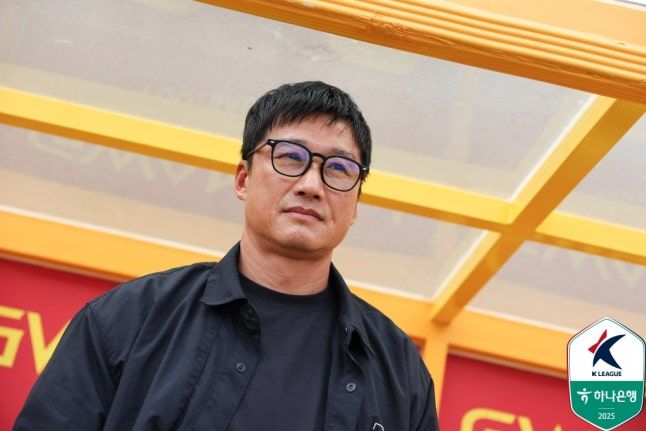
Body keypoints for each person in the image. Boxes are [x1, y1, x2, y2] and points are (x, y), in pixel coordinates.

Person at [14, 81, 439, 430]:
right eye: (291, 157)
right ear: (242, 179)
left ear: (356, 204)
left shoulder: (400, 370)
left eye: (339, 169)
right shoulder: (127, 320)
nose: (312, 185)